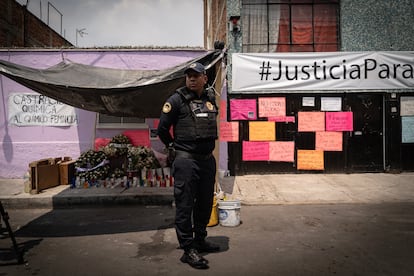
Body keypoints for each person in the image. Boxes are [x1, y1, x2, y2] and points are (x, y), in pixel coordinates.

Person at [157, 62, 219, 269]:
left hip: (207, 160)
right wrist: (173, 147)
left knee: (204, 202)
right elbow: (163, 130)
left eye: (196, 75)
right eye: (189, 76)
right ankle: (187, 249)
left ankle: (200, 240)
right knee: (185, 204)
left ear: (205, 79)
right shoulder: (176, 100)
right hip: (186, 161)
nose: (192, 79)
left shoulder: (210, 99)